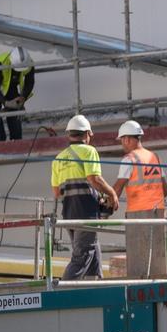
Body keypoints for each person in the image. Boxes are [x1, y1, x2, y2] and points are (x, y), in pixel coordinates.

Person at [51, 115, 119, 280]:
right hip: (86, 213)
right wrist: (112, 193)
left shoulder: (58, 158)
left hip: (69, 213)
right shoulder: (89, 151)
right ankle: (62, 292)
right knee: (82, 255)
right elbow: (94, 179)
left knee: (92, 250)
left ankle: (95, 283)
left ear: (70, 134)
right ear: (87, 133)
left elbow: (56, 192)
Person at [112, 120, 167, 279]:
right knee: (157, 260)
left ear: (127, 139)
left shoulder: (129, 159)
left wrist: (108, 202)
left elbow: (117, 187)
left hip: (138, 215)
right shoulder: (154, 157)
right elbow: (165, 190)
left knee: (139, 263)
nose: (122, 144)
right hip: (159, 214)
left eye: (122, 140)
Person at [0, 47, 35, 142]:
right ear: (11, 62)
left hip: (10, 82)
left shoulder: (28, 62)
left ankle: (16, 140)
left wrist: (23, 97)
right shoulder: (0, 63)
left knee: (15, 110)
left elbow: (29, 82)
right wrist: (6, 103)